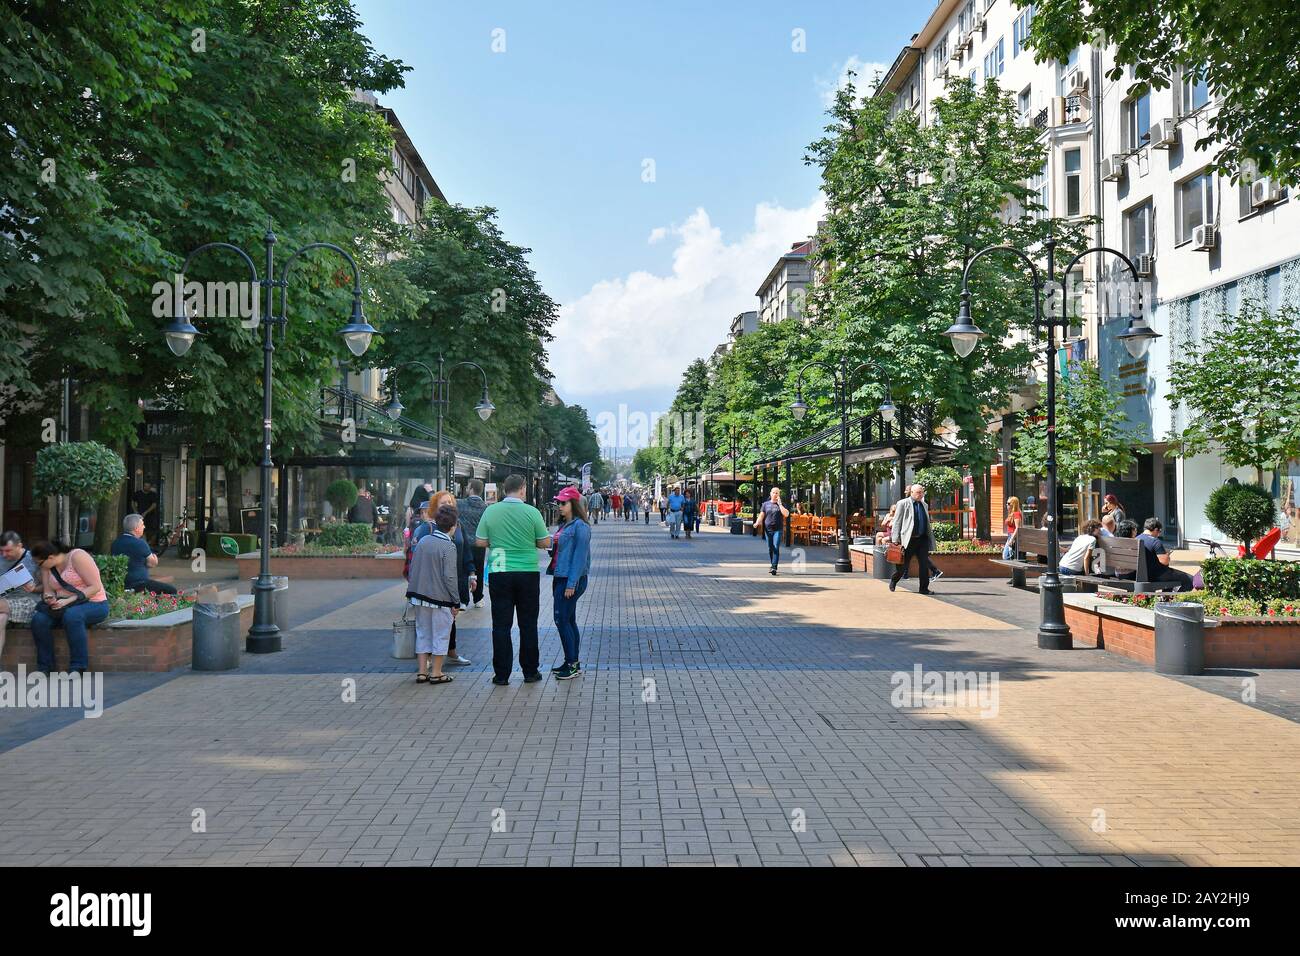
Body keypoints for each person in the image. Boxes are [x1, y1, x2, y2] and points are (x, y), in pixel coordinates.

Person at [475, 474, 552, 686]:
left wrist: (498, 541)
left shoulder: (491, 511)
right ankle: (530, 671)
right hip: (527, 571)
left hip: (499, 570)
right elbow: (544, 542)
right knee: (528, 624)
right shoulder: (532, 512)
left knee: (501, 625)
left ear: (504, 489)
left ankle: (501, 674)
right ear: (522, 489)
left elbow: (480, 542)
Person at [28, 540, 110, 674]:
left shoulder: (77, 557)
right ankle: (45, 667)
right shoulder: (47, 566)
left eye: (40, 563)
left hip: (94, 603)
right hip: (63, 605)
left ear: (51, 557)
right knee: (39, 620)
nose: (39, 567)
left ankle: (78, 667)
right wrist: (49, 599)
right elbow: (48, 591)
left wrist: (67, 601)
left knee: (72, 616)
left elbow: (95, 587)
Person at [414, 493, 475, 665]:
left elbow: (466, 549)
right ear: (435, 506)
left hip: (455, 579)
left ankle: (451, 652)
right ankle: (428, 659)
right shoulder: (428, 528)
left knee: (450, 620)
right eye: (443, 502)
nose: (448, 504)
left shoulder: (457, 525)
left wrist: (472, 572)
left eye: (450, 501)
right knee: (433, 623)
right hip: (435, 582)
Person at [406, 502, 461, 685]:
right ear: (453, 526)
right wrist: (456, 601)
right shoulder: (448, 546)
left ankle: (422, 672)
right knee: (441, 635)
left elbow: (414, 567)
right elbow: (450, 578)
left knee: (423, 633)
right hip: (440, 599)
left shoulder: (423, 541)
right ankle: (437, 672)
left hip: (419, 595)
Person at [549, 487, 592, 680]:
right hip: (561, 576)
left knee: (562, 620)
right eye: (558, 502)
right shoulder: (566, 525)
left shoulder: (580, 527)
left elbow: (580, 558)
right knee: (568, 620)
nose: (559, 506)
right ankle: (571, 661)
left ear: (573, 504)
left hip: (570, 579)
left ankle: (572, 664)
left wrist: (571, 584)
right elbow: (562, 550)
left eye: (563, 503)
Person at [111, 513, 178, 595]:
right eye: (142, 525)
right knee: (171, 591)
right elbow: (153, 563)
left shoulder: (116, 543)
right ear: (136, 528)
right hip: (139, 584)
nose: (144, 527)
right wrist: (151, 560)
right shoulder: (140, 543)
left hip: (122, 583)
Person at [0, 531, 41, 664]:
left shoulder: (33, 559)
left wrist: (35, 588)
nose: (4, 555)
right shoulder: (1, 558)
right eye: (1, 551)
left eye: (8, 551)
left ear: (20, 546)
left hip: (28, 602)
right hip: (4, 602)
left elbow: (48, 586)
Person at [889, 484, 936, 594]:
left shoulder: (924, 505)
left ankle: (923, 588)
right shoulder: (902, 503)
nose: (921, 494)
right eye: (919, 492)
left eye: (922, 492)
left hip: (922, 539)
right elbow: (897, 522)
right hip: (908, 540)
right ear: (912, 493)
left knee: (924, 565)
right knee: (902, 566)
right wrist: (895, 539)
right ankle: (894, 579)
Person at [1138, 518, 1194, 591]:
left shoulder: (1136, 539)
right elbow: (1165, 562)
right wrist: (1167, 556)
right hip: (1156, 575)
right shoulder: (1155, 541)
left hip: (1141, 575)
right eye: (1159, 531)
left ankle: (1166, 598)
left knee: (1170, 577)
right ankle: (1178, 600)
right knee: (1189, 578)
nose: (1159, 534)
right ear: (1155, 529)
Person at [457, 479, 488, 607]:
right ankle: (478, 598)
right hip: (479, 544)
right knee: (479, 570)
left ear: (471, 489)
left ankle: (463, 600)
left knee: (464, 570)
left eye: (468, 487)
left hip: (464, 544)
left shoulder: (460, 504)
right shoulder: (486, 507)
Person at [755, 487, 790, 575]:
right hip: (768, 530)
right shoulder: (765, 504)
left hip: (778, 529)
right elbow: (761, 515)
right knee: (770, 547)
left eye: (777, 493)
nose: (775, 494)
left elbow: (786, 514)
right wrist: (757, 522)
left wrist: (780, 504)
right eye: (774, 493)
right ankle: (772, 564)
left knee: (776, 546)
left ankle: (774, 566)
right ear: (771, 494)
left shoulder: (781, 504)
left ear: (779, 495)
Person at [131, 481, 161, 547]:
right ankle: (144, 545)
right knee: (142, 530)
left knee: (152, 531)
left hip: (151, 516)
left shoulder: (152, 494)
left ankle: (149, 544)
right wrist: (135, 510)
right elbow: (133, 502)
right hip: (140, 515)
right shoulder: (138, 493)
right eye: (145, 486)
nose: (146, 488)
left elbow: (154, 505)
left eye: (148, 487)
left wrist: (146, 512)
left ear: (150, 487)